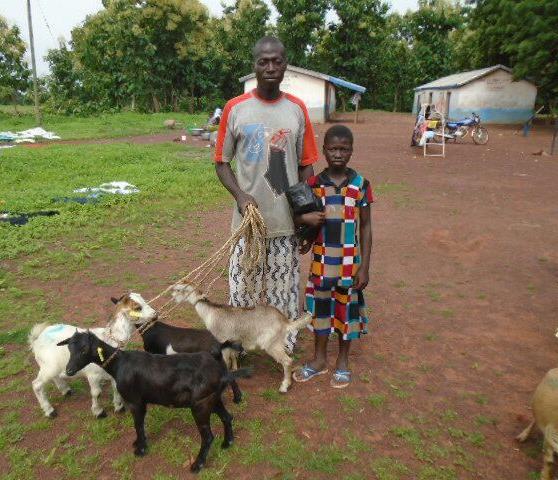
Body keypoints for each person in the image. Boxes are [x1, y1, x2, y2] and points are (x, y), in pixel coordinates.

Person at [214, 36, 318, 351]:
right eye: (264, 61)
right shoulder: (235, 108)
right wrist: (240, 196)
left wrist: (304, 216)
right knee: (241, 290)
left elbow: (306, 167)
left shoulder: (297, 109)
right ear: (254, 65)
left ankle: (282, 344)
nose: (271, 67)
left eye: (277, 61)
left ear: (285, 64)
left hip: (285, 224)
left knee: (283, 292)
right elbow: (221, 163)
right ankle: (238, 347)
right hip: (247, 225)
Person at [293, 125, 373, 388]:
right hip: (322, 263)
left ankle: (342, 361)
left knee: (346, 311)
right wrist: (305, 219)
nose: (338, 154)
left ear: (351, 151)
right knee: (321, 310)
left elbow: (365, 226)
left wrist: (364, 267)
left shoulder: (360, 184)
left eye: (344, 149)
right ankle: (318, 360)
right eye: (333, 149)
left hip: (350, 265)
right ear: (324, 150)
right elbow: (301, 219)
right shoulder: (314, 185)